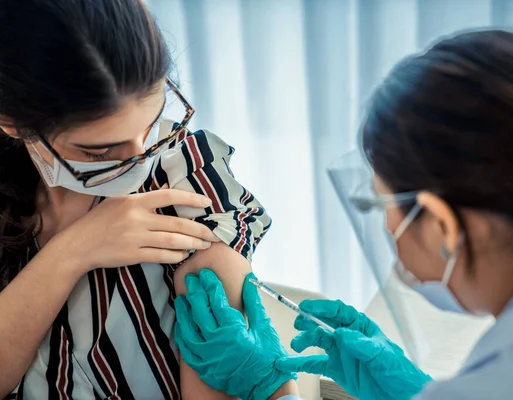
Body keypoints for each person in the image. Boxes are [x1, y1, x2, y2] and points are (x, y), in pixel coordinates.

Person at [174, 30, 513, 399]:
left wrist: (269, 387)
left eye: (380, 204)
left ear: (442, 224)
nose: (388, 227)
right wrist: (414, 390)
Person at [0, 1, 297, 399]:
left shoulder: (189, 174)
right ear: (16, 126)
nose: (143, 157)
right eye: (100, 152)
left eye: (152, 122)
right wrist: (71, 252)